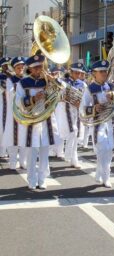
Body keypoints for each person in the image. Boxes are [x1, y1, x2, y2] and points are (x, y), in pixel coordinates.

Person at [15, 54, 61, 189]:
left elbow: (61, 94)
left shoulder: (48, 81)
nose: (38, 70)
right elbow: (18, 102)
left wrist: (54, 82)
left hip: (46, 121)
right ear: (30, 68)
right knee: (32, 152)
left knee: (44, 152)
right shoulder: (23, 83)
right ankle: (31, 179)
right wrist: (33, 99)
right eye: (35, 68)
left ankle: (42, 179)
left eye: (40, 67)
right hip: (31, 122)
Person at [80, 60, 114, 188]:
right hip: (98, 124)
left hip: (111, 124)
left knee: (108, 151)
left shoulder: (112, 86)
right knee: (101, 151)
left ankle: (103, 175)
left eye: (105, 71)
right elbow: (82, 109)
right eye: (101, 71)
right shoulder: (90, 89)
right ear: (94, 73)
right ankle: (104, 175)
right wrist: (94, 109)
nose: (104, 73)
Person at [57, 62, 86, 168]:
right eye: (76, 73)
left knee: (76, 134)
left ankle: (74, 158)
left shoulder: (82, 84)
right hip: (65, 110)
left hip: (77, 111)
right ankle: (69, 155)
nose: (78, 75)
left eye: (80, 73)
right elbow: (57, 96)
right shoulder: (63, 82)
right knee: (72, 132)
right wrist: (64, 97)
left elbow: (85, 97)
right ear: (71, 72)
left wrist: (80, 102)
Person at [2, 57, 27, 170]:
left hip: (26, 112)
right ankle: (13, 161)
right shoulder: (10, 80)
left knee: (25, 136)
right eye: (18, 67)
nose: (21, 68)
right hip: (14, 112)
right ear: (14, 68)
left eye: (22, 66)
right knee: (13, 136)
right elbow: (10, 95)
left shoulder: (28, 79)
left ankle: (23, 161)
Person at [0, 57, 11, 158]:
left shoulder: (12, 76)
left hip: (11, 106)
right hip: (3, 105)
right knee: (2, 127)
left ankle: (9, 150)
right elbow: (4, 89)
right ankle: (2, 151)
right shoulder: (1, 77)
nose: (7, 67)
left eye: (8, 64)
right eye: (5, 65)